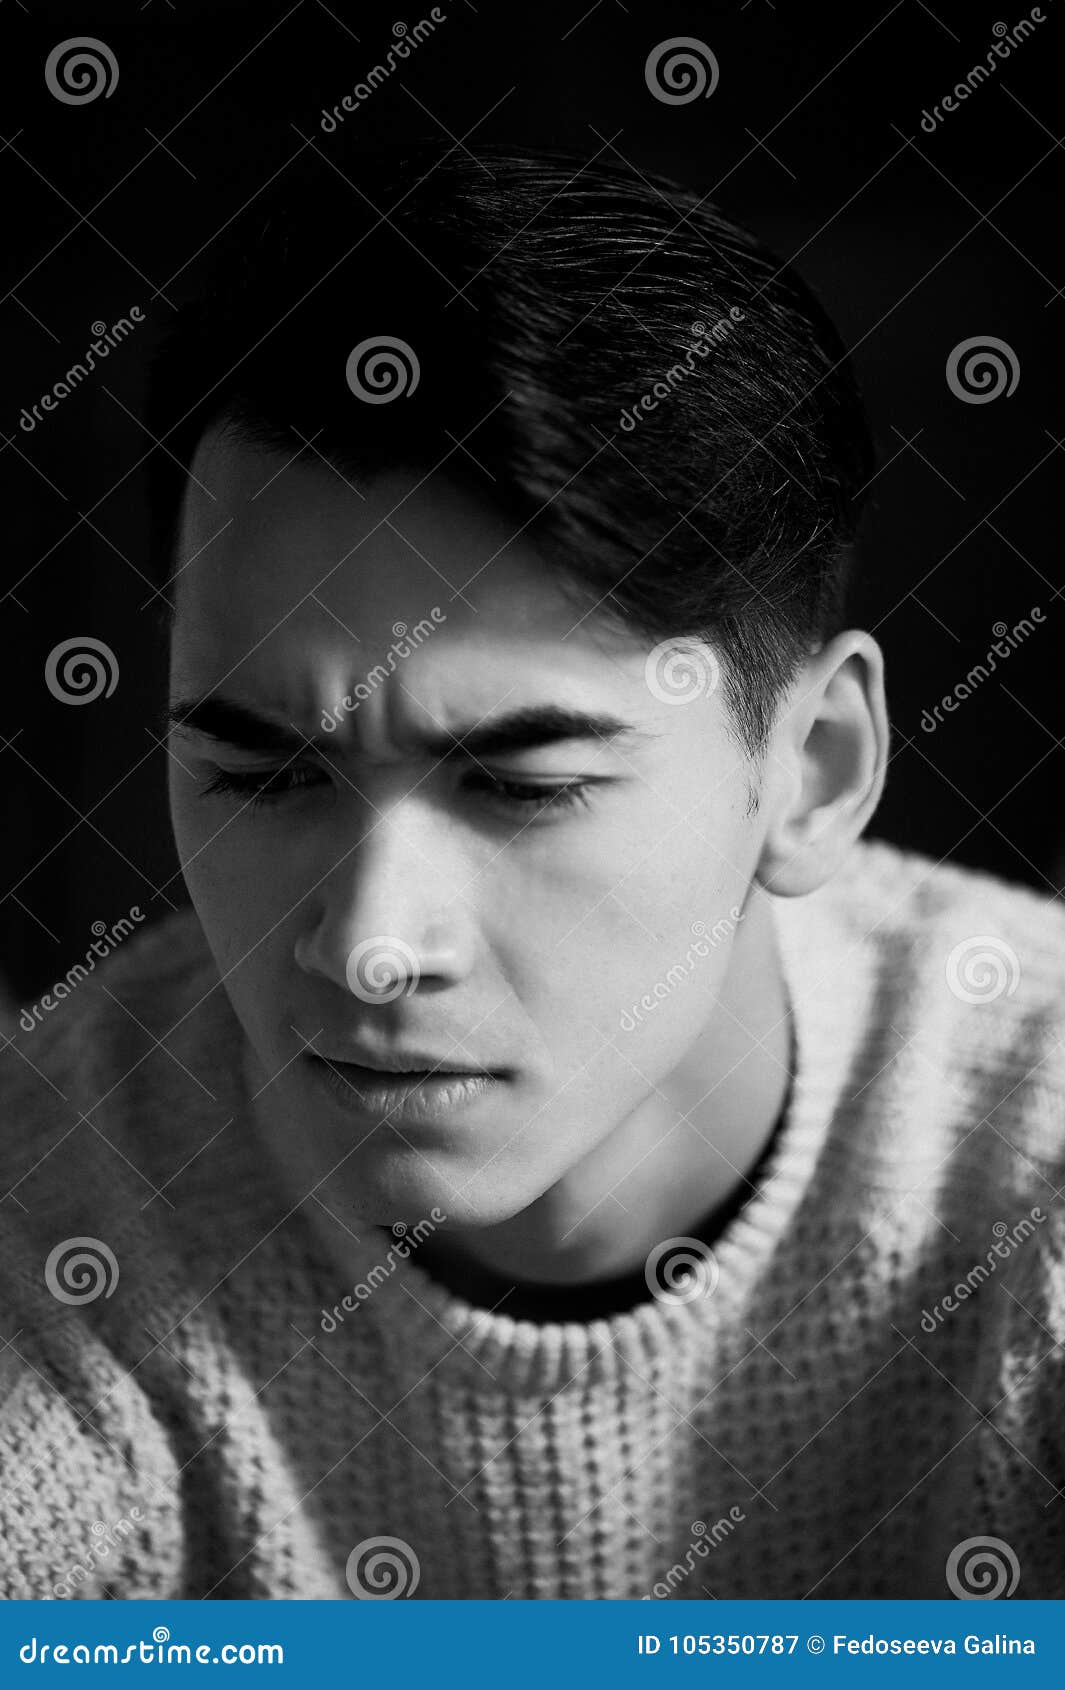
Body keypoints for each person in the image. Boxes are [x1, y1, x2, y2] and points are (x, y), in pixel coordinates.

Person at [2, 142, 1062, 1602]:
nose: (370, 949)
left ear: (809, 768)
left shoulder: (1036, 1166)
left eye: (518, 782)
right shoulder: (50, 1217)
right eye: (262, 771)